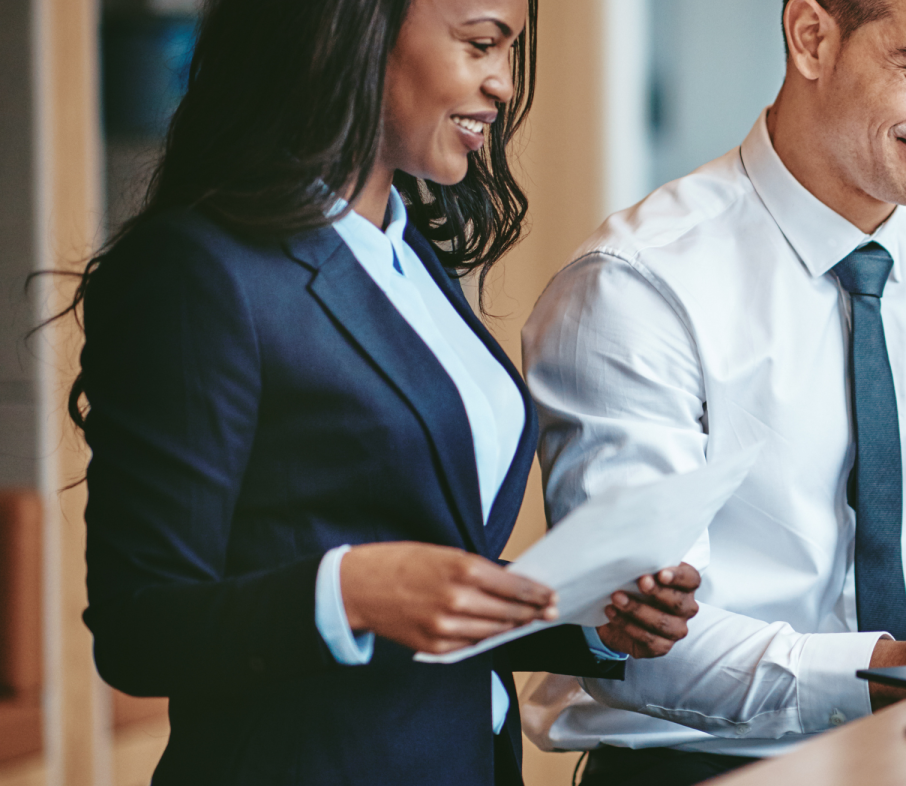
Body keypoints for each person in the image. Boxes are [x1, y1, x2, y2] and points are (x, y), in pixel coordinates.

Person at [72, 1, 699, 783]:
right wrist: (353, 590)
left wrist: (588, 617)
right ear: (351, 30)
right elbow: (140, 627)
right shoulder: (201, 271)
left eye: (509, 51)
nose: (503, 85)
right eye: (480, 45)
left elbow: (421, 576)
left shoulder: (408, 255)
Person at [520, 0, 906, 783]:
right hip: (703, 769)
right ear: (811, 37)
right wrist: (899, 665)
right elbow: (640, 647)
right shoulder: (639, 286)